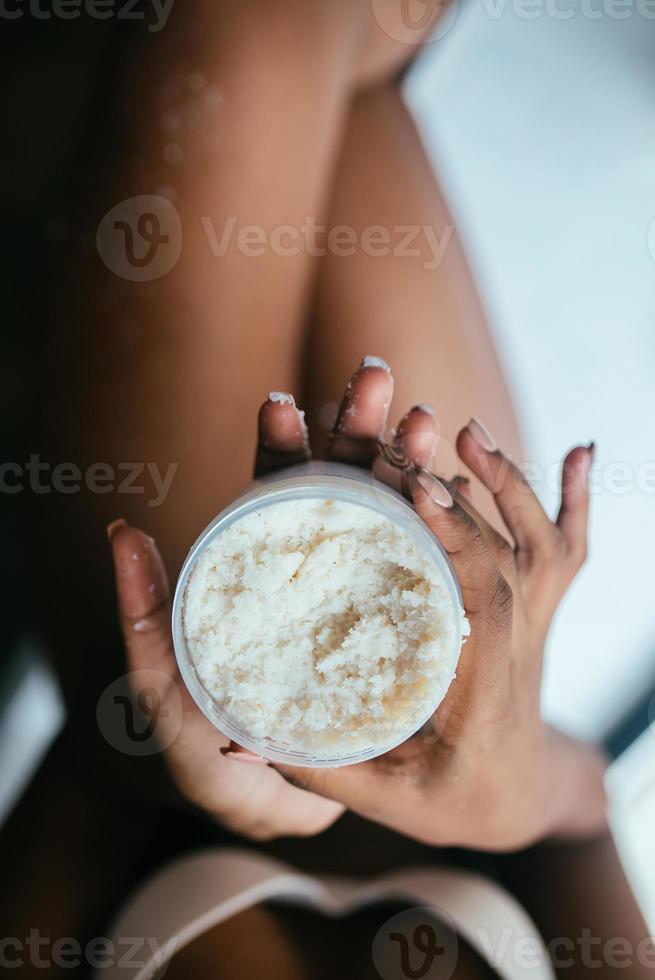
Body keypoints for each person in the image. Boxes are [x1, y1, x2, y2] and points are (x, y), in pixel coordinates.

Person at [1, 2, 651, 978]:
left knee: (255, 27)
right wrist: (511, 784)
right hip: (453, 692)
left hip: (171, 689)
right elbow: (579, 814)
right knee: (345, 91)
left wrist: (222, 772)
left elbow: (70, 798)